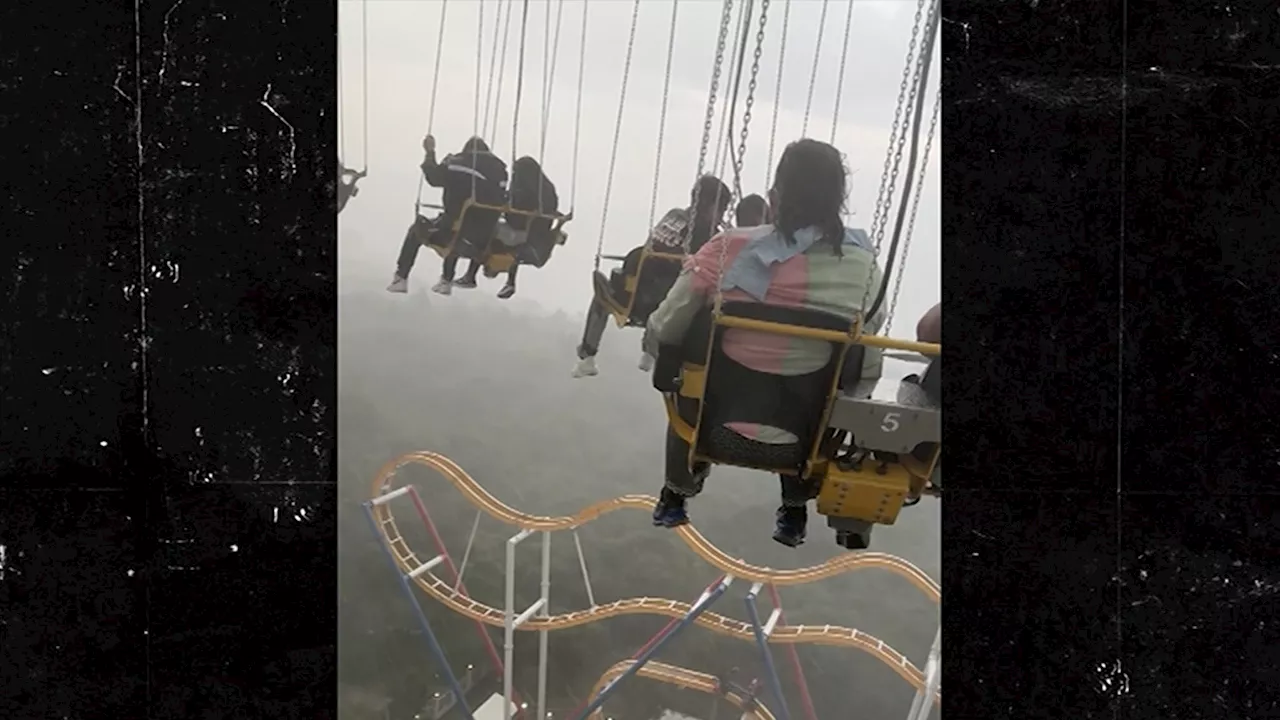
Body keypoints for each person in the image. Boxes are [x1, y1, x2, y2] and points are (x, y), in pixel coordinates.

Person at [642, 138, 886, 548]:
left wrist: (659, 351)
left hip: (712, 429)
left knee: (685, 371)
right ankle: (794, 505)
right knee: (822, 391)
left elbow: (666, 324)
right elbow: (870, 351)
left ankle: (676, 490)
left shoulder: (729, 248)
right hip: (804, 443)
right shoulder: (863, 267)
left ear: (775, 197)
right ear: (838, 203)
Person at [571, 174, 732, 379]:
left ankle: (587, 355)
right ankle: (652, 351)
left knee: (603, 298)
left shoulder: (673, 215)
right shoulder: (706, 235)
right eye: (721, 210)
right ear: (711, 206)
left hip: (633, 293)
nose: (721, 216)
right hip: (660, 303)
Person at [387, 135, 508, 295]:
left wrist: (430, 152)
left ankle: (401, 278)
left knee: (418, 229)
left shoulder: (458, 163)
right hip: (483, 241)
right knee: (459, 225)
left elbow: (433, 177)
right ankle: (446, 279)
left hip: (453, 234)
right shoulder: (501, 172)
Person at [488, 156, 560, 300]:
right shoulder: (544, 186)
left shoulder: (531, 187)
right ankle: (507, 279)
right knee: (509, 241)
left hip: (527, 226)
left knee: (492, 230)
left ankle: (490, 269)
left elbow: (519, 203)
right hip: (534, 227)